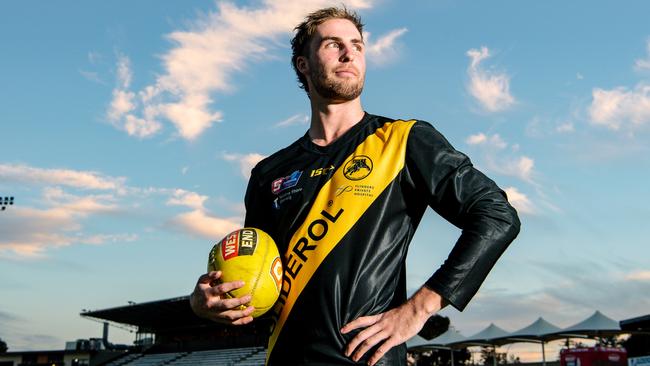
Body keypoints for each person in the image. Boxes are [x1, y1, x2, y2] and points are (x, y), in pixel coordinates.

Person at [190, 6, 520, 366]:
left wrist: (419, 308)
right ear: (303, 64)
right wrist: (205, 303)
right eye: (333, 44)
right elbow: (258, 280)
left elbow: (497, 216)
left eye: (357, 46)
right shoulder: (269, 173)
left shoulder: (403, 140)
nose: (349, 53)